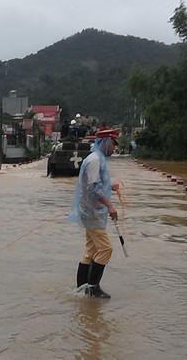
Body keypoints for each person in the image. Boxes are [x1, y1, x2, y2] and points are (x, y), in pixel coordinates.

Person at [68, 127, 120, 298]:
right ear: (105, 142)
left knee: (91, 250)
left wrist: (109, 186)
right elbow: (93, 189)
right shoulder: (95, 160)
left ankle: (81, 288)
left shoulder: (98, 158)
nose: (114, 148)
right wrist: (110, 206)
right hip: (92, 212)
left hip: (92, 212)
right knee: (106, 248)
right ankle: (92, 288)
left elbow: (97, 185)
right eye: (113, 144)